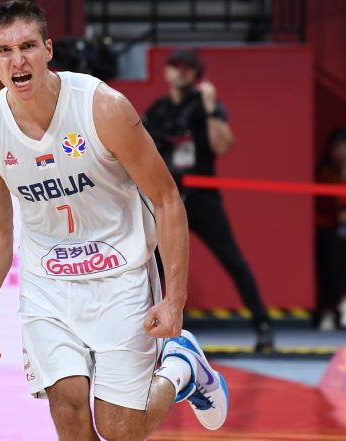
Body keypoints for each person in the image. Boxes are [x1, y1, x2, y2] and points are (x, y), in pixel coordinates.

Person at [0, 2, 229, 440]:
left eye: (28, 46)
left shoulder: (102, 107)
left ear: (48, 49)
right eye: (5, 50)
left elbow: (166, 199)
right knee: (69, 417)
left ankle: (182, 366)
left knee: (118, 428)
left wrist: (175, 299)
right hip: (48, 283)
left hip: (121, 275)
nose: (18, 60)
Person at [143, 49, 274, 352]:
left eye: (188, 67)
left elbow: (222, 145)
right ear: (167, 71)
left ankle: (264, 325)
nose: (181, 72)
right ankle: (147, 333)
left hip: (202, 198)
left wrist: (212, 107)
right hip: (167, 199)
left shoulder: (207, 106)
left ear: (197, 73)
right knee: (152, 265)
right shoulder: (158, 111)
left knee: (232, 259)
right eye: (176, 66)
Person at [315, 127, 346, 330]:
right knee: (330, 247)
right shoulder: (324, 174)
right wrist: (342, 174)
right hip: (333, 235)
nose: (341, 152)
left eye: (345, 147)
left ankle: (341, 305)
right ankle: (340, 304)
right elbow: (332, 205)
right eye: (337, 147)